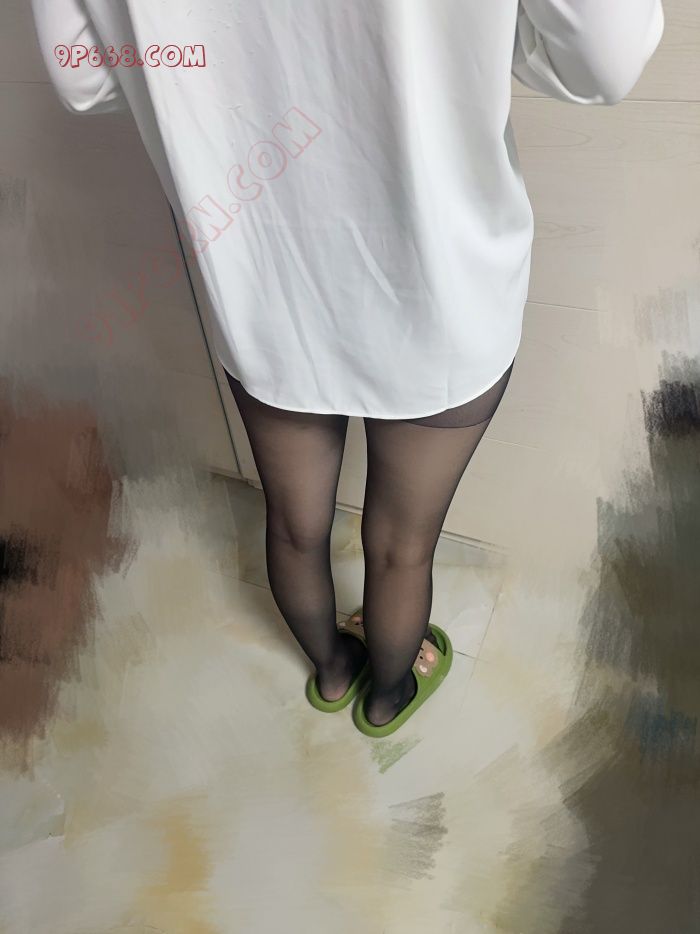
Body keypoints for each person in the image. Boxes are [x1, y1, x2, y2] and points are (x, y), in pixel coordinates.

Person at [31, 0, 664, 736]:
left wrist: (196, 67)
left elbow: (83, 76)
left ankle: (332, 673)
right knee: (402, 547)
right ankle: (387, 698)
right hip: (439, 284)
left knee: (294, 526)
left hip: (262, 282)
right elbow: (602, 58)